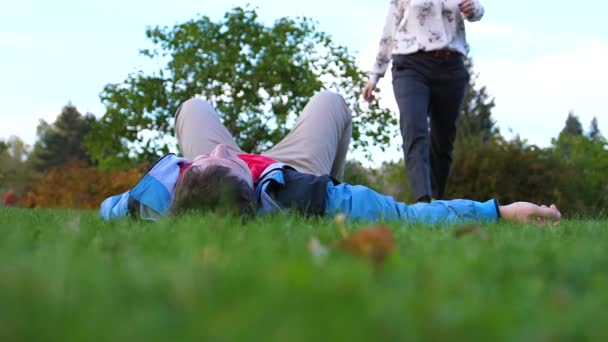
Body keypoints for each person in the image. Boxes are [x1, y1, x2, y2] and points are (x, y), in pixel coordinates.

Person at [100, 92, 561, 226]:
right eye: (224, 158)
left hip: (223, 184)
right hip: (293, 168)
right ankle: (329, 182)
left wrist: (120, 209)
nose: (218, 150)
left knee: (193, 107)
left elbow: (107, 209)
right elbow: (408, 216)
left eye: (202, 159)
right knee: (331, 102)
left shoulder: (154, 200)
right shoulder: (301, 196)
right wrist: (498, 212)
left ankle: (210, 163)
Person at [363, 0, 485, 203]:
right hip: (410, 66)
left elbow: (477, 11)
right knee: (414, 128)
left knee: (443, 141)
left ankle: (437, 202)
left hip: (451, 67)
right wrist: (376, 74)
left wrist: (473, 9)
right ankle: (423, 201)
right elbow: (390, 28)